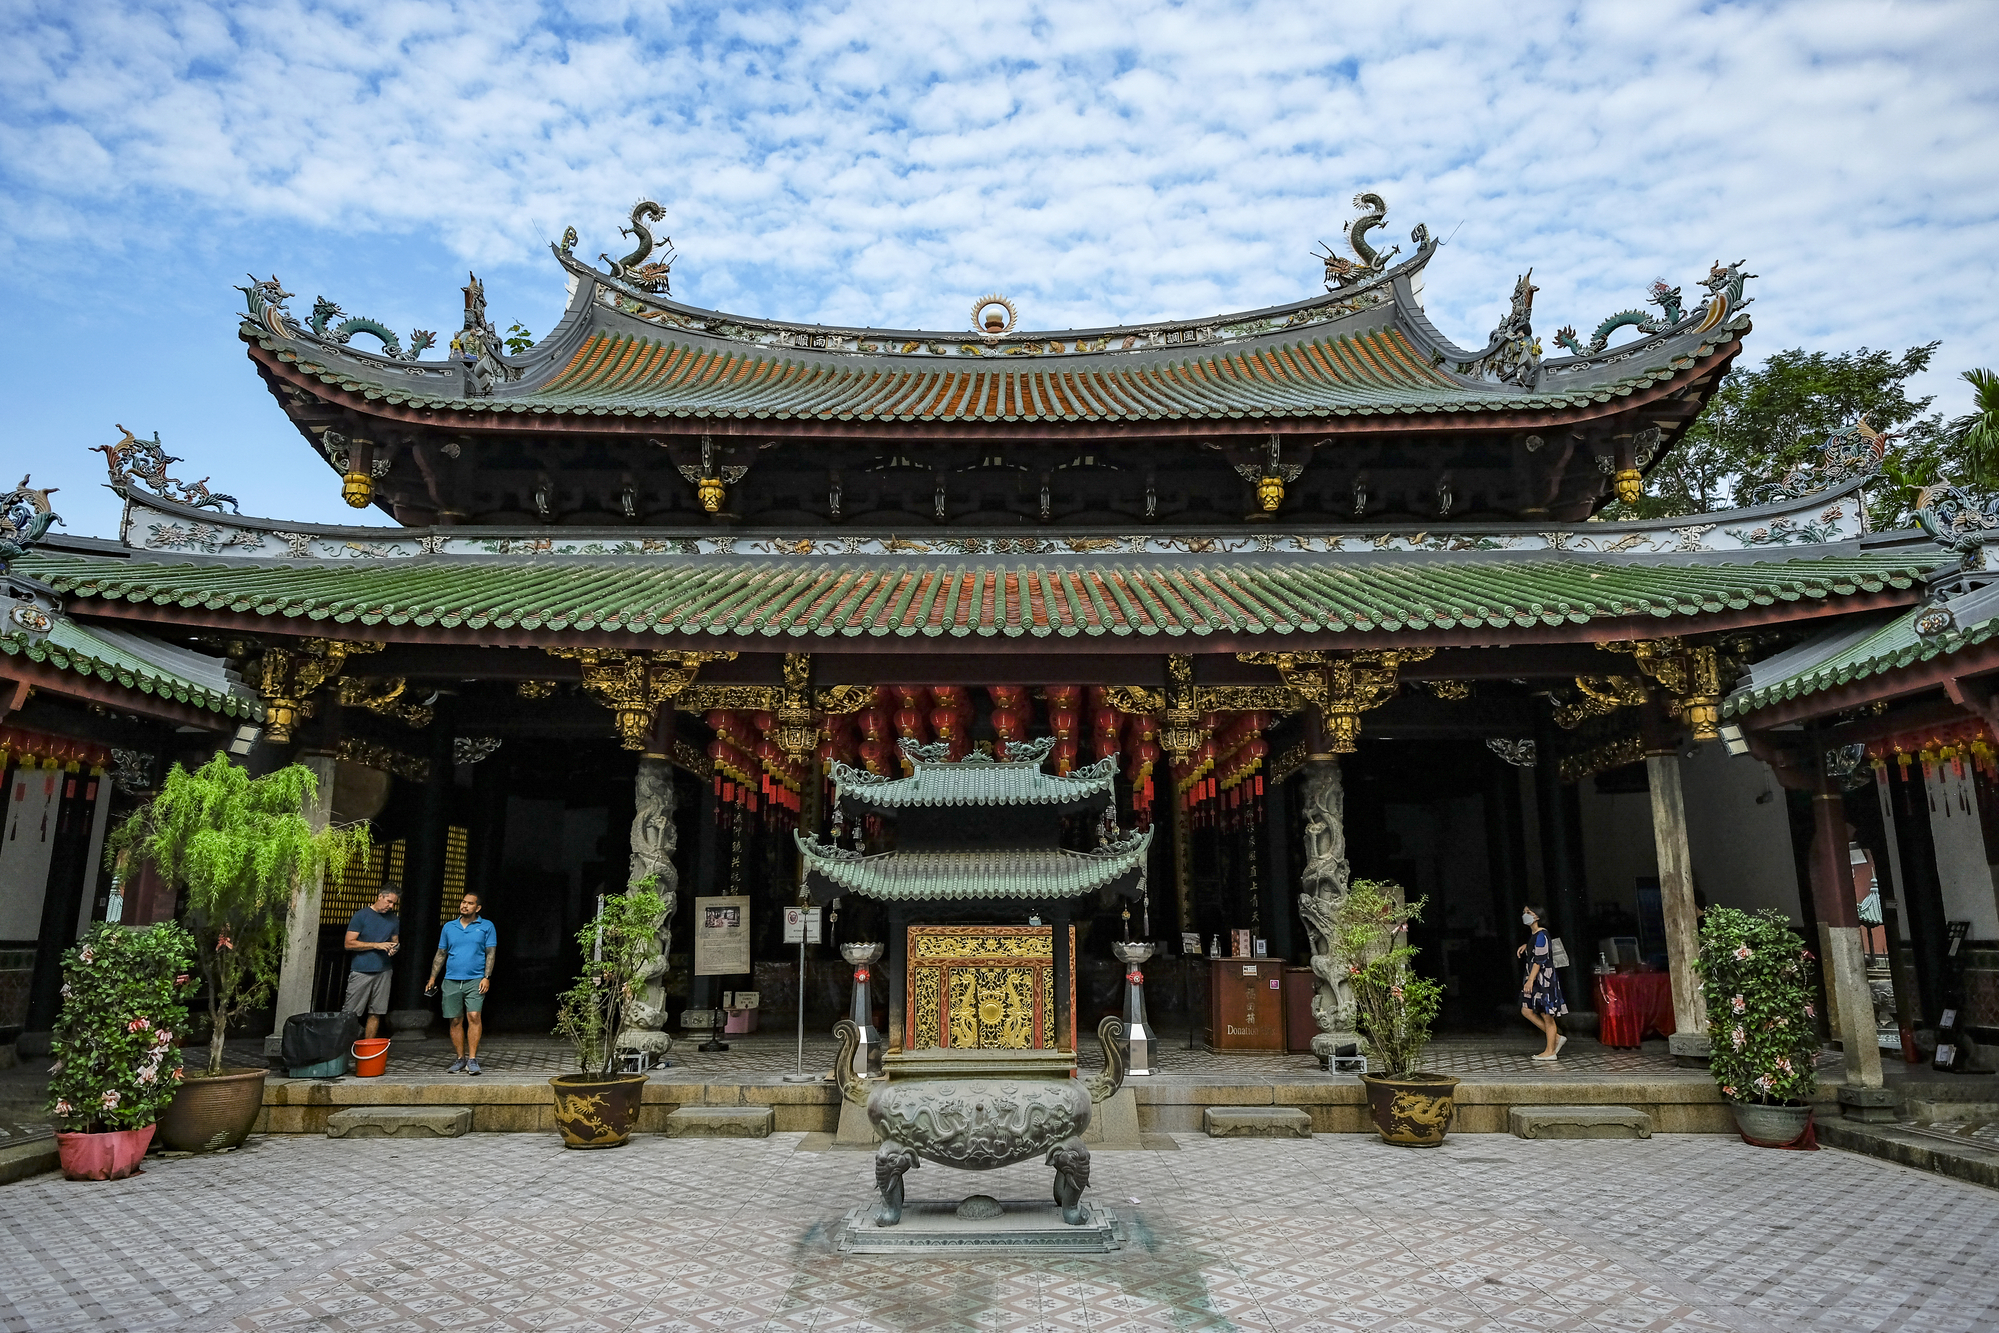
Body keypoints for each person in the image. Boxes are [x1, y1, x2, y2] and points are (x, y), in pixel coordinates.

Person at [426, 890, 497, 1075]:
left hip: (475, 979)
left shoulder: (487, 926)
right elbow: (441, 953)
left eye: (470, 903)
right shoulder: (449, 927)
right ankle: (460, 1058)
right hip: (451, 979)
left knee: (474, 1016)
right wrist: (433, 977)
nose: (464, 905)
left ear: (478, 907)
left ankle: (472, 1059)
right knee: (455, 1019)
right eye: (463, 902)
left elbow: (491, 953)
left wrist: (486, 977)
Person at [341, 883, 400, 1039]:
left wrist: (394, 948)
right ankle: (342, 1050)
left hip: (384, 970)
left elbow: (396, 941)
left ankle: (368, 1049)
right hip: (362, 970)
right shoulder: (361, 915)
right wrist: (376, 945)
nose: (391, 906)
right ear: (380, 896)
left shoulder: (393, 919)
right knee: (351, 1013)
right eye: (388, 901)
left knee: (376, 1012)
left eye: (393, 903)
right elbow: (349, 943)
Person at [1516, 905, 1568, 1061]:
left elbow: (1540, 960)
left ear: (1537, 916)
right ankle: (1556, 1038)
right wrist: (1528, 946)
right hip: (1536, 979)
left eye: (1528, 913)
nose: (1525, 915)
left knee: (1547, 1015)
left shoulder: (1541, 935)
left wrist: (1530, 980)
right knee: (1526, 1010)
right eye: (1524, 912)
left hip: (1542, 980)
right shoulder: (1536, 936)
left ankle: (1550, 1051)